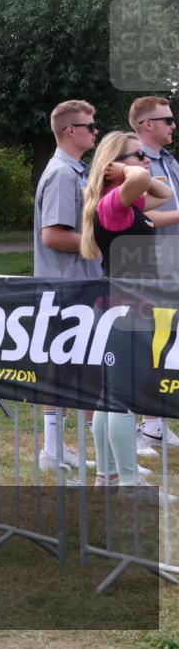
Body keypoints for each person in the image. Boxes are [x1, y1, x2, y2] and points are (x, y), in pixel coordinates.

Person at [79, 130, 177, 491]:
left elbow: (165, 195)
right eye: (140, 155)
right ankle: (130, 483)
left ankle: (108, 475)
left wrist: (137, 173)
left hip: (125, 305)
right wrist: (127, 171)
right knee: (122, 397)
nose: (147, 161)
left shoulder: (124, 203)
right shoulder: (113, 204)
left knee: (111, 397)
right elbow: (141, 180)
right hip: (127, 308)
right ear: (113, 166)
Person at [33, 100, 102, 474]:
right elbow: (53, 236)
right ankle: (52, 449)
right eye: (90, 126)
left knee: (86, 367)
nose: (95, 131)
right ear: (69, 131)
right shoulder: (62, 173)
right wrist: (101, 241)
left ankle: (76, 448)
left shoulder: (78, 170)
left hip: (81, 284)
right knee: (60, 366)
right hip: (66, 287)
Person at [129, 96, 179, 451]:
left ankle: (156, 422)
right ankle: (140, 425)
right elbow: (137, 217)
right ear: (148, 124)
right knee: (145, 342)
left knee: (166, 342)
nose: (173, 125)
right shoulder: (132, 164)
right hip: (145, 264)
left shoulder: (170, 162)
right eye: (168, 120)